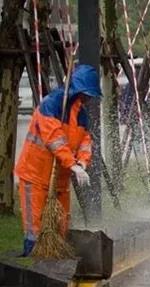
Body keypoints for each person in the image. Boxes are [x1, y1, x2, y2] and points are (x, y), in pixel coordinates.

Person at [14, 64, 102, 256]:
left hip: (59, 180)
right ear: (76, 89)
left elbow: (85, 142)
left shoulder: (81, 115)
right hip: (34, 175)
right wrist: (73, 165)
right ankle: (32, 257)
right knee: (34, 225)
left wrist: (82, 163)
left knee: (61, 224)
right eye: (85, 94)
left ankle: (55, 258)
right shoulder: (52, 104)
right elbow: (54, 139)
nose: (87, 99)